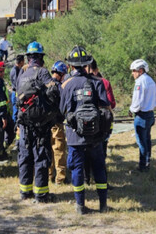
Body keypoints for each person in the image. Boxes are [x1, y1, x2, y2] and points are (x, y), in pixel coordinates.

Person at [60, 46, 110, 214]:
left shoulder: (67, 85)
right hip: (95, 137)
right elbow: (105, 107)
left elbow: (62, 110)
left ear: (71, 66)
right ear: (87, 64)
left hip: (75, 137)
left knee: (77, 170)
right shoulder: (97, 83)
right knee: (99, 169)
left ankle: (80, 206)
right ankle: (103, 205)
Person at [16, 41, 57, 203]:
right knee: (40, 156)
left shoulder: (22, 74)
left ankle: (25, 191)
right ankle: (41, 195)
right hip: (40, 124)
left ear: (28, 57)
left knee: (25, 156)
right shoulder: (42, 73)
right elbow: (53, 90)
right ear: (40, 57)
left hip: (24, 123)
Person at [84, 59, 116, 187]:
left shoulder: (80, 82)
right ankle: (102, 182)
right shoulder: (103, 82)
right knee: (100, 152)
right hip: (101, 122)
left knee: (86, 151)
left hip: (86, 122)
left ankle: (86, 179)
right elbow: (111, 103)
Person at [128, 59, 156, 172]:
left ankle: (143, 166)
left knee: (141, 142)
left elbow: (138, 100)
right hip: (150, 114)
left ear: (140, 70)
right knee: (147, 140)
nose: (133, 73)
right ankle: (147, 162)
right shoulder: (150, 80)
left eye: (134, 71)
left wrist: (132, 109)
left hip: (142, 115)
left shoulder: (140, 82)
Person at [48, 61, 68, 185]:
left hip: (46, 124)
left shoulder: (45, 85)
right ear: (61, 74)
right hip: (57, 124)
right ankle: (60, 179)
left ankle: (49, 175)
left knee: (48, 149)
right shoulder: (59, 88)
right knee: (59, 150)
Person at [0, 61, 15, 160]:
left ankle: (3, 147)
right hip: (0, 113)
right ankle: (1, 152)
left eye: (3, 71)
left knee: (11, 132)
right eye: (0, 71)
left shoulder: (1, 82)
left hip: (6, 112)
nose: (2, 73)